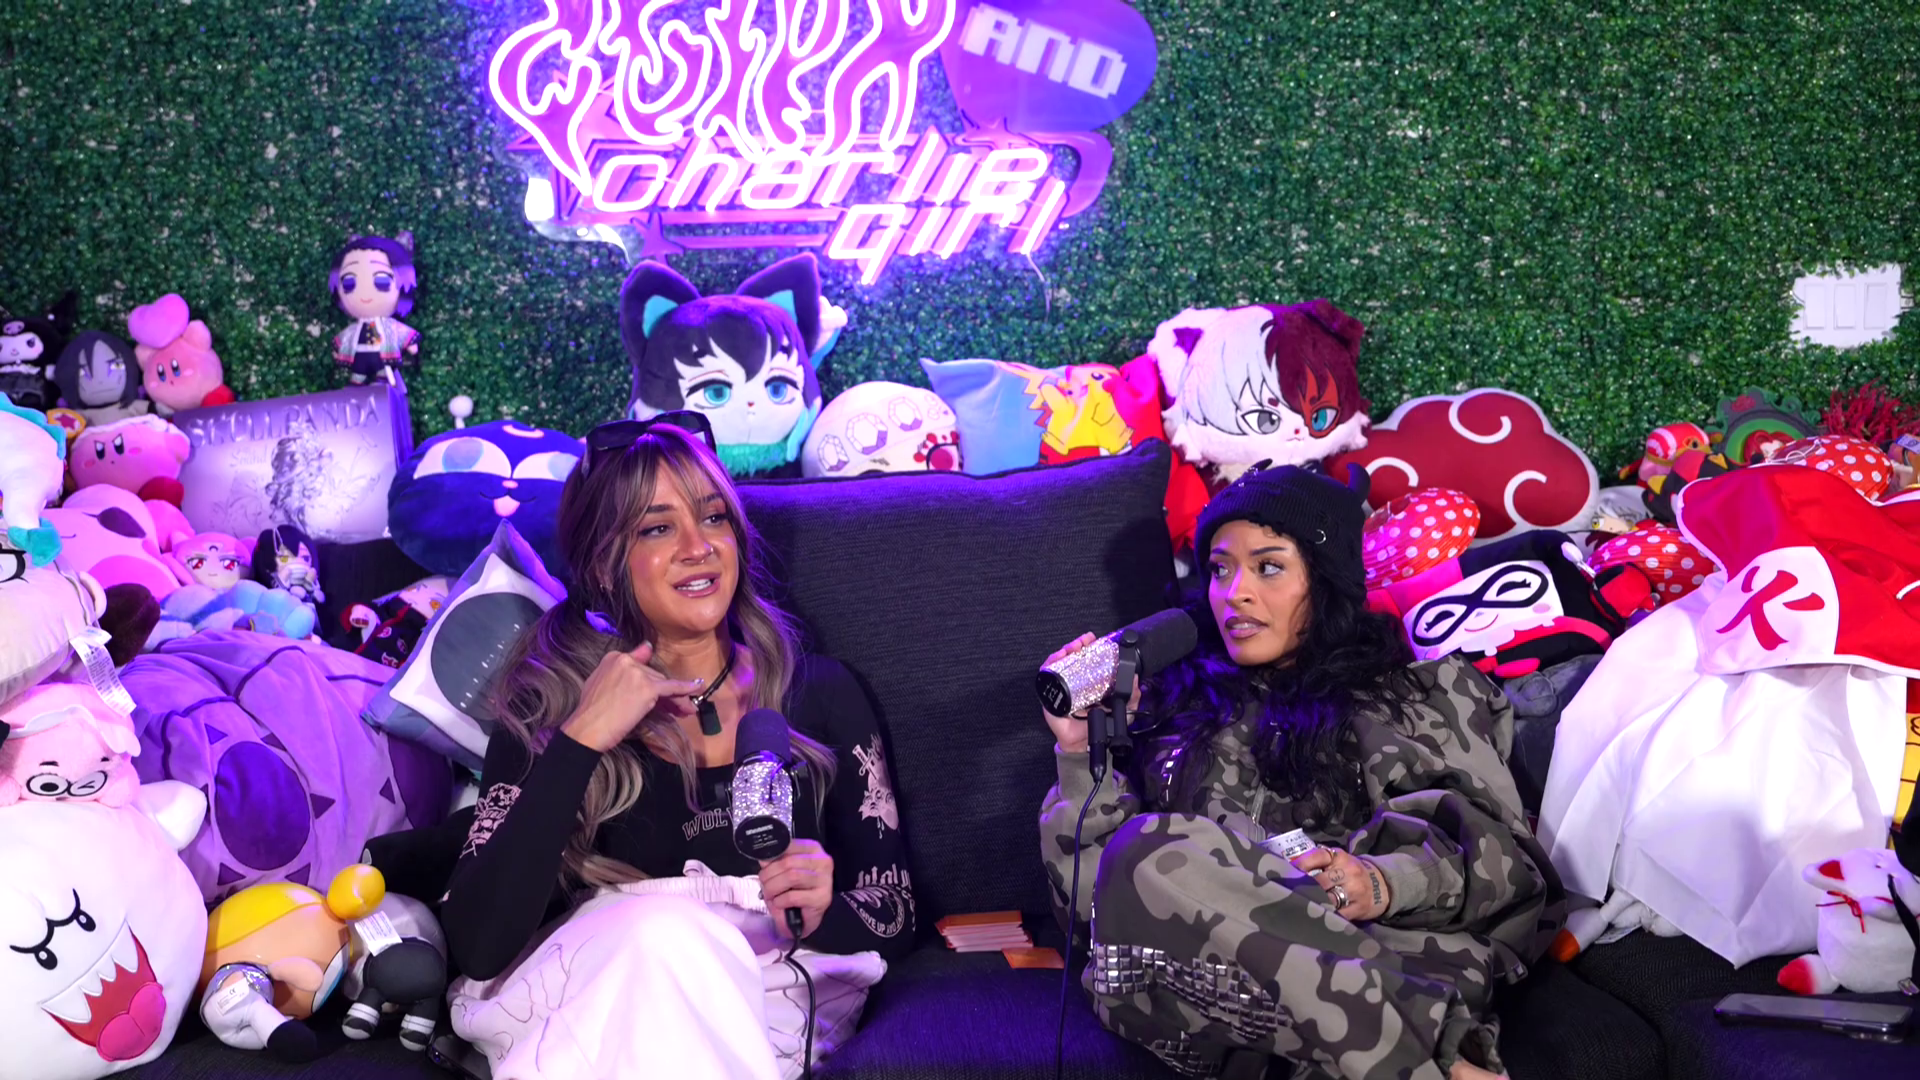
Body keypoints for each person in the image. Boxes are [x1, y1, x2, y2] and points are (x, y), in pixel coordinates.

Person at [1038, 464, 1563, 1080]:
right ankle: (1440, 1062)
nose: (1234, 592)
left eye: (1267, 567)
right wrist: (1083, 754)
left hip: (1374, 961)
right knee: (1150, 853)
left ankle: (1414, 1055)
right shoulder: (1168, 711)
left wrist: (1379, 881)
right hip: (1205, 997)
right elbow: (1094, 914)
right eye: (1219, 569)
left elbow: (1504, 865)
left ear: (1326, 579)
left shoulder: (1405, 697)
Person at [441, 414, 915, 1080]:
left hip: (771, 1007)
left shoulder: (820, 694)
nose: (699, 547)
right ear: (604, 565)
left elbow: (898, 913)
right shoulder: (547, 707)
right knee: (660, 933)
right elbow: (478, 944)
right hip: (607, 997)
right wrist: (581, 740)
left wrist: (822, 910)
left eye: (714, 518)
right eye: (657, 529)